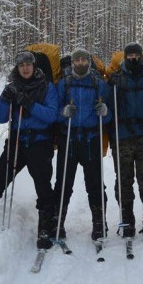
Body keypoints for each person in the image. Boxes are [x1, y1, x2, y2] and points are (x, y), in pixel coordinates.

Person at [0, 51, 58, 249]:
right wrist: (5, 99)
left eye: (28, 64)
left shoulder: (47, 87)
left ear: (34, 66)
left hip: (40, 142)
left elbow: (52, 115)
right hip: (17, 142)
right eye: (22, 66)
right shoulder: (12, 87)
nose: (25, 68)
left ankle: (45, 225)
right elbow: (0, 118)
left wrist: (29, 104)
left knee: (43, 186)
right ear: (17, 68)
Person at [50, 47, 112, 242]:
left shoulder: (99, 84)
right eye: (76, 60)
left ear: (89, 62)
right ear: (72, 63)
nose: (80, 63)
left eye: (84, 60)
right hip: (68, 138)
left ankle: (99, 222)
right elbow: (55, 109)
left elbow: (110, 113)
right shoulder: (63, 84)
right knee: (63, 183)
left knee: (94, 184)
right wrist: (63, 112)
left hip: (90, 139)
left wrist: (105, 111)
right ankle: (57, 221)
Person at [107, 42, 143, 240]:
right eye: (129, 55)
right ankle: (127, 221)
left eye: (136, 55)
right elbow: (107, 108)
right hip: (122, 137)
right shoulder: (116, 80)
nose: (133, 58)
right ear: (124, 57)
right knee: (123, 180)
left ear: (141, 57)